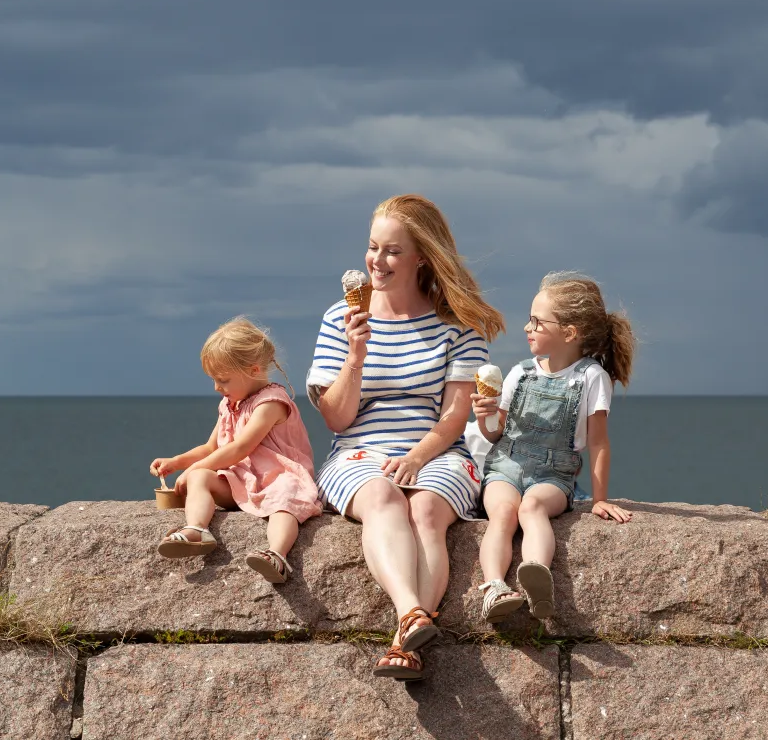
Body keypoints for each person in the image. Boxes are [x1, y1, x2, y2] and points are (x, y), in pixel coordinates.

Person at [308, 194, 504, 681]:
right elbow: (335, 418)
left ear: (422, 257)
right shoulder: (340, 318)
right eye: (373, 247)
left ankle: (404, 644)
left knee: (425, 511)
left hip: (437, 450)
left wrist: (417, 457)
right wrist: (355, 355)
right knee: (381, 496)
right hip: (357, 451)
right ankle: (411, 616)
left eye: (393, 251)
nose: (377, 260)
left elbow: (455, 417)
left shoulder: (459, 326)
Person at [471, 272, 636, 623]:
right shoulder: (519, 374)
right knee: (502, 513)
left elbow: (598, 442)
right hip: (505, 465)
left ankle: (536, 576)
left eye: (537, 321)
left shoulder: (592, 378)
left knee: (532, 508)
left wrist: (600, 499)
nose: (527, 328)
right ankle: (495, 587)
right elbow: (495, 434)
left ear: (569, 333)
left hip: (554, 474)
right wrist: (485, 416)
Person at [150, 317, 321, 583]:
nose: (217, 388)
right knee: (200, 478)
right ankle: (197, 529)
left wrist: (196, 466)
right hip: (244, 480)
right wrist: (179, 462)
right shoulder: (230, 404)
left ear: (253, 370)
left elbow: (241, 447)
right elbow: (211, 447)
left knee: (285, 502)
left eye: (223, 380)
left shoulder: (271, 403)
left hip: (278, 478)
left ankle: (277, 554)